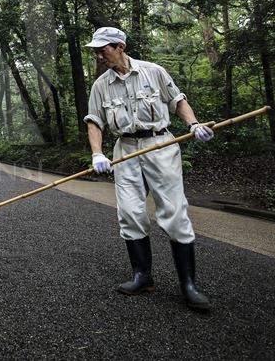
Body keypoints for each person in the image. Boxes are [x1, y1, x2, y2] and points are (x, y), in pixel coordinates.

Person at [83, 26, 214, 311]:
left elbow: (177, 100)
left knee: (174, 213)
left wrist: (194, 125)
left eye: (102, 49)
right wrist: (97, 154)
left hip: (161, 145)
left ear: (120, 47)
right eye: (95, 51)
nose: (98, 55)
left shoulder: (153, 71)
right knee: (129, 212)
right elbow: (94, 121)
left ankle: (188, 284)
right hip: (125, 150)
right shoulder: (100, 85)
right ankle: (142, 276)